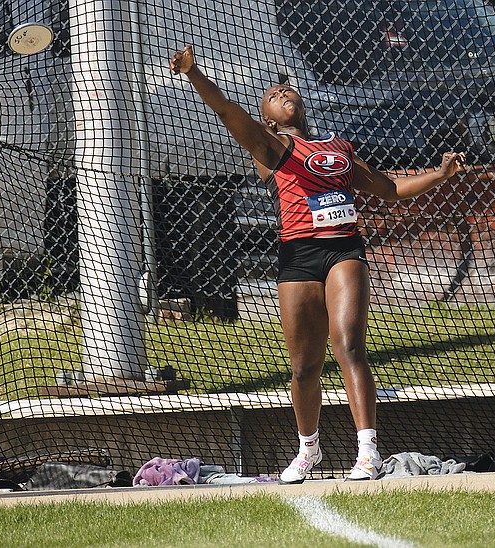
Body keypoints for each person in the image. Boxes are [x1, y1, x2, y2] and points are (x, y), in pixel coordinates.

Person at [169, 45, 465, 482]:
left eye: (288, 89)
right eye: (273, 94)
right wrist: (194, 75)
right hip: (298, 256)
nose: (283, 91)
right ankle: (309, 450)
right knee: (304, 366)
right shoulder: (270, 147)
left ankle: (368, 451)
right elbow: (228, 110)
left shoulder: (339, 148)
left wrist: (439, 176)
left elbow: (388, 189)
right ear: (268, 118)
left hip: (344, 250)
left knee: (348, 347)